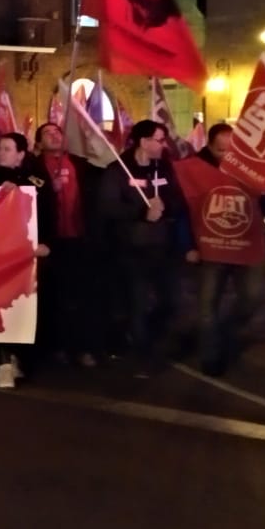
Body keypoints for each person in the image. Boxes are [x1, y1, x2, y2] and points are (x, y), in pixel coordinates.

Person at [100, 119, 188, 377]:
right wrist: (141, 212)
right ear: (144, 142)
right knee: (137, 303)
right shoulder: (118, 171)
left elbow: (178, 200)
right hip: (131, 249)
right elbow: (107, 207)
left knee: (171, 301)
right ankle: (142, 356)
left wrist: (166, 208)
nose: (163, 145)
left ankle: (142, 334)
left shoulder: (164, 168)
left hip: (163, 248)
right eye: (159, 140)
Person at [179, 123, 265, 377]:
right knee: (207, 307)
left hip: (246, 246)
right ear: (209, 146)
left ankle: (224, 332)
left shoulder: (250, 168)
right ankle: (210, 357)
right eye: (220, 151)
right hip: (210, 248)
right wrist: (187, 245)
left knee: (253, 297)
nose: (227, 156)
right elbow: (185, 210)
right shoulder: (192, 171)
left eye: (232, 151)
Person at [0, 132, 54, 387]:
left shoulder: (38, 182)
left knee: (25, 306)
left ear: (21, 154)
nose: (3, 153)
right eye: (1, 149)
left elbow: (50, 212)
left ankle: (22, 358)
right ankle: (3, 361)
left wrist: (48, 243)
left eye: (9, 149)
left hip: (28, 255)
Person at [34, 122, 103, 369]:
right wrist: (47, 191)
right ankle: (58, 346)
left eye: (57, 132)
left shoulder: (81, 165)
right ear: (39, 143)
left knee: (83, 296)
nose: (53, 136)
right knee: (55, 297)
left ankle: (84, 347)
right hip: (52, 242)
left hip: (80, 239)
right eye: (47, 134)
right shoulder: (33, 167)